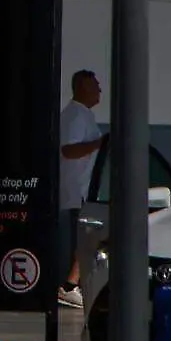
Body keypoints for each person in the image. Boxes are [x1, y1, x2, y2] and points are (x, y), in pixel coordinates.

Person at [57, 69, 104, 309]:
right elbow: (68, 150)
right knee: (86, 238)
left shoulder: (82, 115)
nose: (100, 90)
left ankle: (74, 284)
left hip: (80, 190)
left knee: (85, 238)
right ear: (83, 88)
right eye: (95, 85)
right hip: (77, 190)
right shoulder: (76, 115)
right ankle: (69, 286)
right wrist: (100, 143)